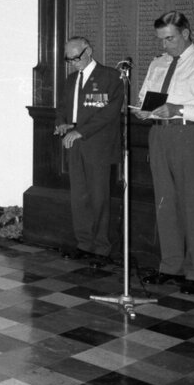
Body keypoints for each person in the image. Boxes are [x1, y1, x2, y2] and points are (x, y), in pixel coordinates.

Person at [134, 11, 194, 295]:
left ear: (186, 33)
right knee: (165, 203)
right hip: (159, 135)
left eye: (170, 39)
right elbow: (144, 97)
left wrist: (180, 109)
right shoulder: (158, 63)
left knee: (193, 203)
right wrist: (143, 109)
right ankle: (170, 266)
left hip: (191, 135)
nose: (165, 45)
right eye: (161, 40)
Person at [53, 37, 123, 265]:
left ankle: (101, 248)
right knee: (79, 196)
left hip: (97, 145)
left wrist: (80, 131)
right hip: (75, 143)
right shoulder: (71, 79)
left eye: (77, 58)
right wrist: (62, 123)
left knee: (99, 197)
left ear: (89, 51)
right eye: (69, 59)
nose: (74, 63)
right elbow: (63, 107)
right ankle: (84, 243)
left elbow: (109, 113)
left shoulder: (111, 77)